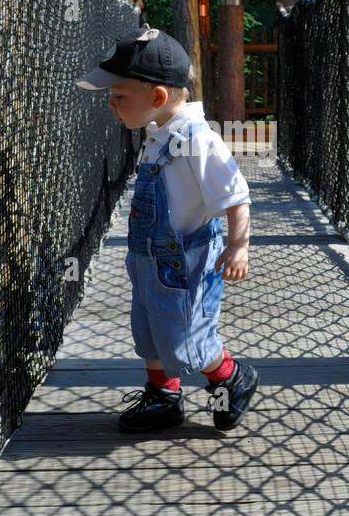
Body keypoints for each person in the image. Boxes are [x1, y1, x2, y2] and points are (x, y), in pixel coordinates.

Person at [77, 26, 260, 432]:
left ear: (157, 98)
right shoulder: (158, 132)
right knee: (149, 329)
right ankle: (164, 396)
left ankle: (230, 378)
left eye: (119, 97)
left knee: (188, 339)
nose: (111, 104)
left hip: (186, 263)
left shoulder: (198, 140)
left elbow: (236, 194)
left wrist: (238, 246)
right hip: (147, 259)